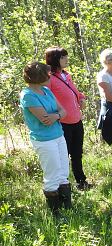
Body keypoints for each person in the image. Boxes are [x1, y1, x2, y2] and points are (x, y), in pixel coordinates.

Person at [19, 62, 71, 212]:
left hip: (58, 135)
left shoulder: (47, 91)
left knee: (63, 173)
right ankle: (55, 213)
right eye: (48, 75)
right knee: (52, 174)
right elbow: (45, 120)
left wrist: (56, 115)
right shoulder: (27, 95)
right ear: (39, 76)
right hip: (44, 139)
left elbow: (63, 111)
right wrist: (57, 115)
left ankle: (67, 209)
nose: (50, 77)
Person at [45, 47, 91, 190]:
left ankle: (81, 181)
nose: (66, 59)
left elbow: (75, 92)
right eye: (63, 57)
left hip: (76, 120)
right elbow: (47, 98)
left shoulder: (66, 75)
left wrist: (81, 98)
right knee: (63, 156)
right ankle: (62, 186)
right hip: (62, 123)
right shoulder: (50, 78)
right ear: (55, 60)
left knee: (77, 153)